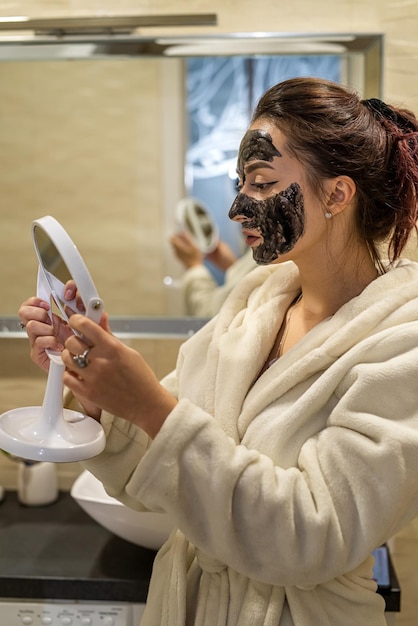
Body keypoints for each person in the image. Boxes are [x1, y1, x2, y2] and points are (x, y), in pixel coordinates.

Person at [19, 77, 418, 626]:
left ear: (337, 194)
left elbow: (315, 535)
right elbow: (156, 474)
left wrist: (149, 407)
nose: (236, 209)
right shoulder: (250, 306)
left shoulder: (400, 344)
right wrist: (97, 385)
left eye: (259, 182)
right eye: (240, 183)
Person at [169, 230, 257, 316]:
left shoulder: (268, 254)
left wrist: (194, 266)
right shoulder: (265, 250)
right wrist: (234, 267)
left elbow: (212, 316)